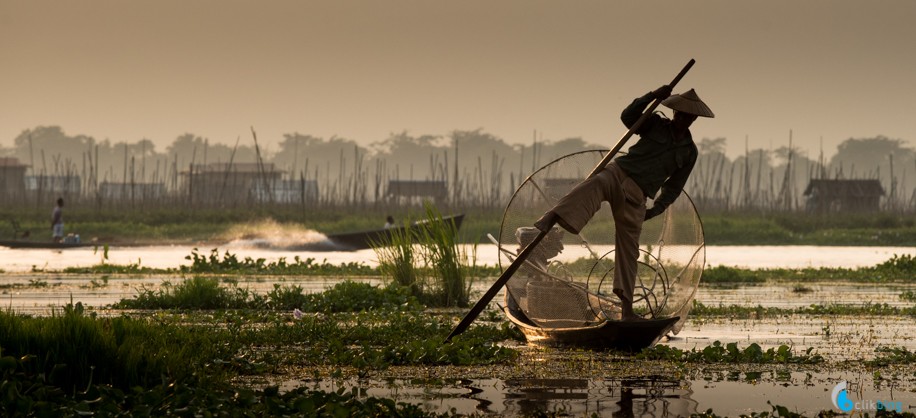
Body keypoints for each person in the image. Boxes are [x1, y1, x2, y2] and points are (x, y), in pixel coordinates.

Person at [534, 85, 714, 321]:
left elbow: (673, 187)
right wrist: (652, 96)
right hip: (618, 173)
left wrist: (656, 209)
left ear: (693, 119)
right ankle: (552, 216)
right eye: (679, 114)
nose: (682, 119)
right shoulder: (655, 124)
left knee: (629, 252)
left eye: (687, 117)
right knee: (593, 184)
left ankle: (626, 310)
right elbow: (627, 117)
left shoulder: (689, 152)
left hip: (637, 195)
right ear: (674, 113)